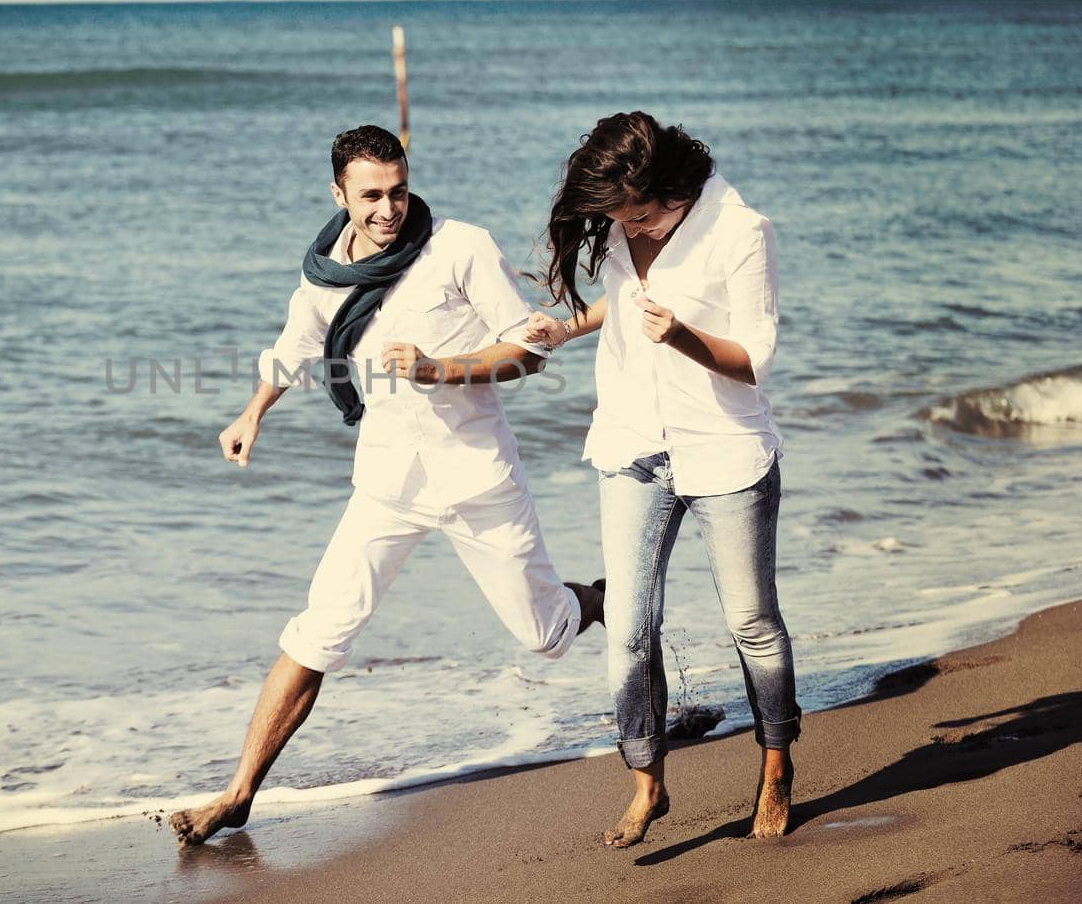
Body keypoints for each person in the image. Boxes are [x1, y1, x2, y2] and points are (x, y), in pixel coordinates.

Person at [170, 125, 604, 847]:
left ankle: (596, 600)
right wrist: (250, 414)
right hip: (385, 483)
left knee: (545, 636)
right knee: (318, 633)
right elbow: (294, 349)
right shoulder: (322, 276)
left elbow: (528, 350)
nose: (388, 208)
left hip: (475, 478)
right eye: (370, 195)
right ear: (337, 194)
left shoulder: (459, 245)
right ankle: (239, 792)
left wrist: (441, 368)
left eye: (398, 190)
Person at [526, 111, 799, 847]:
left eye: (641, 213)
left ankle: (775, 768)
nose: (630, 226)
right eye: (618, 216)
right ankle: (647, 779)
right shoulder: (627, 216)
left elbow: (755, 357)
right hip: (634, 443)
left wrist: (680, 335)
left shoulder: (740, 230)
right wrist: (568, 325)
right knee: (631, 630)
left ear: (675, 187)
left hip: (725, 448)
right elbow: (629, 298)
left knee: (751, 621)